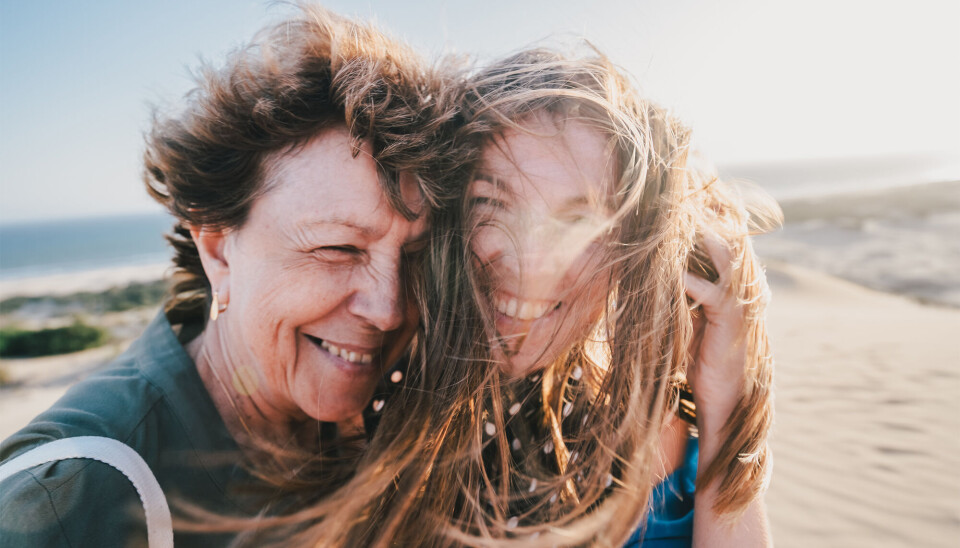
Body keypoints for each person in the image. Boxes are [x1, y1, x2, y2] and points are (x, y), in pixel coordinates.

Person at [0, 6, 464, 547]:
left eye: (416, 256)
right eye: (338, 248)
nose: (389, 310)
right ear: (218, 250)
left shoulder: (376, 428)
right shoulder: (72, 497)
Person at [286, 46, 779, 546]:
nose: (531, 265)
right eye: (491, 202)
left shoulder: (657, 430)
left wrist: (728, 403)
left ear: (632, 251)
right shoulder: (360, 393)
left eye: (581, 221)